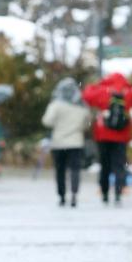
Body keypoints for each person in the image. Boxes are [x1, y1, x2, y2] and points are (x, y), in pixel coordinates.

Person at [82, 73, 132, 205]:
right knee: (119, 164)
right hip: (121, 134)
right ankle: (118, 193)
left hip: (103, 134)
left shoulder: (103, 90)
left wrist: (95, 85)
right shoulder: (128, 91)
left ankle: (105, 193)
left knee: (104, 164)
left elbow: (86, 96)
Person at [42, 77, 90, 207]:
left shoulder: (56, 105)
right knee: (75, 170)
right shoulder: (82, 106)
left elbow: (47, 121)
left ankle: (62, 195)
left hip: (59, 143)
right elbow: (86, 124)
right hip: (76, 143)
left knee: (60, 170)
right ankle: (74, 194)